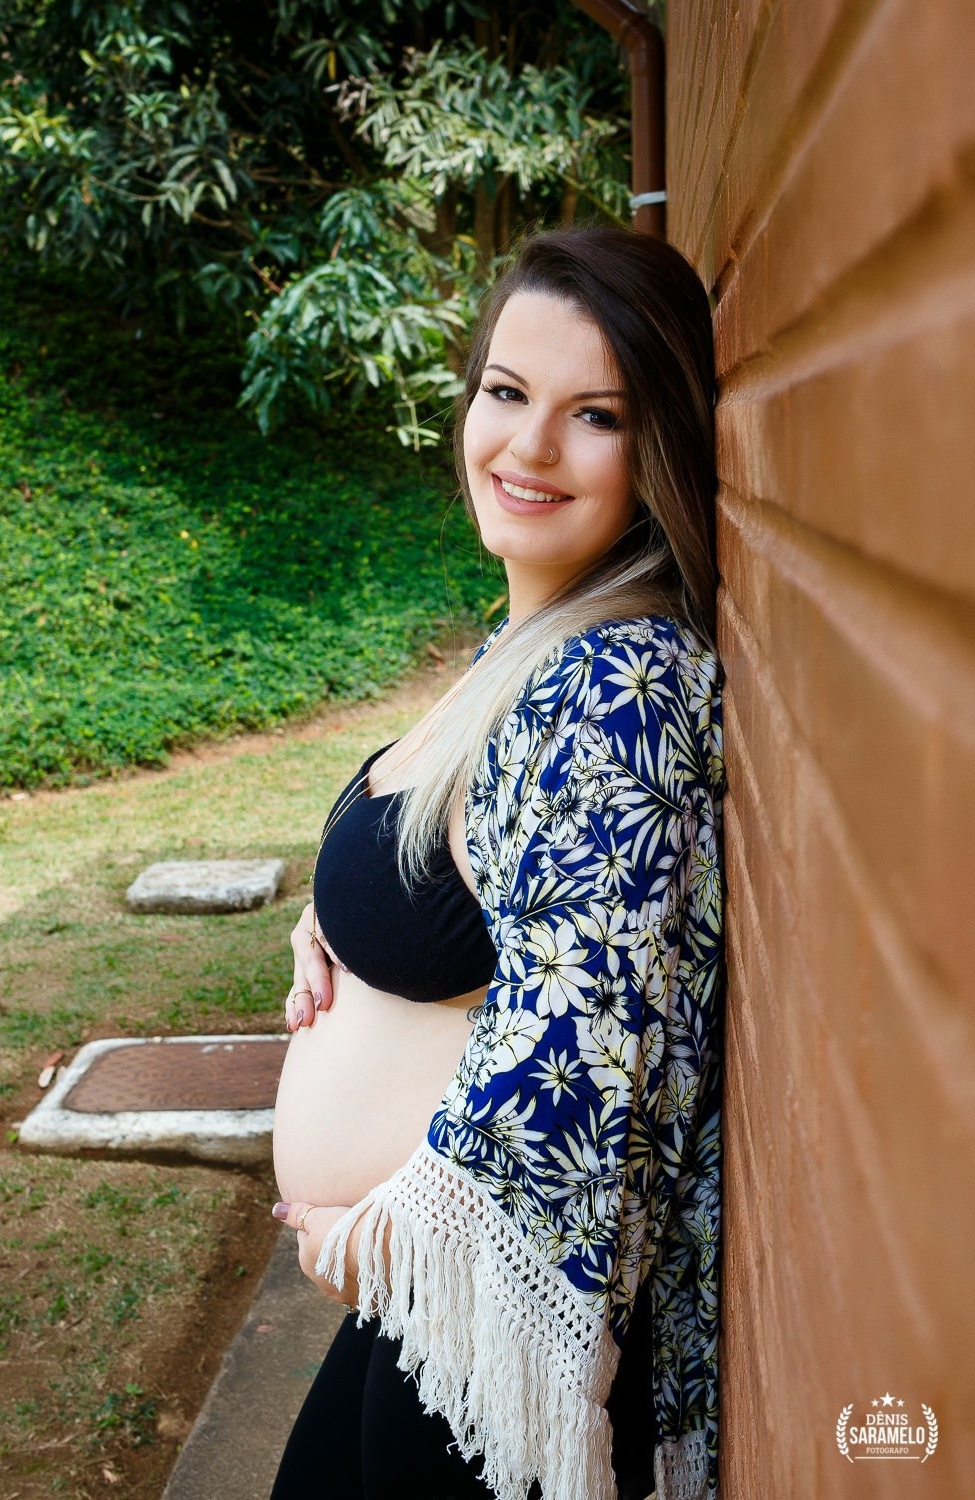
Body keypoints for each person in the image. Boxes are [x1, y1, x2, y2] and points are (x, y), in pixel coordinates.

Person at [269, 225, 725, 1500]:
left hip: (479, 1323)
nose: (527, 448)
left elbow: (580, 1047)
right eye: (507, 392)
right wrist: (340, 922)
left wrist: (383, 1243)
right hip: (426, 1320)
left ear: (659, 445)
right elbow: (490, 882)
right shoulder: (528, 642)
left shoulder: (621, 683)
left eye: (595, 415)